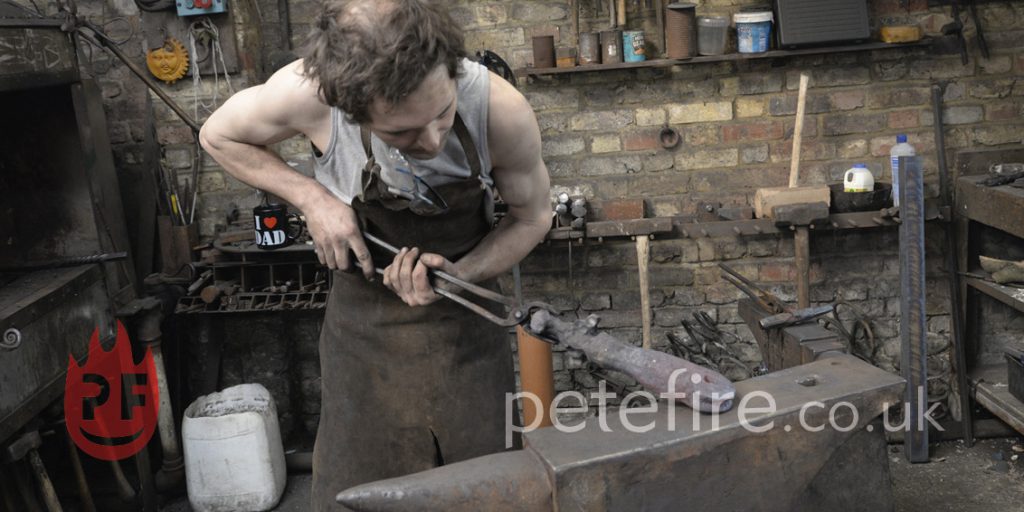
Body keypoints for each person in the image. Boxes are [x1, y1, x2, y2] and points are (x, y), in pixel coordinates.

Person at [198, 0, 551, 509]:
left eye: (442, 115)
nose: (431, 140)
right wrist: (314, 199)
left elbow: (533, 217)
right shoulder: (306, 93)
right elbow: (218, 135)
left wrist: (460, 274)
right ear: (344, 105)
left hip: (465, 328)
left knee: (482, 489)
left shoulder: (498, 108)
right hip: (361, 335)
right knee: (356, 491)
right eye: (400, 133)